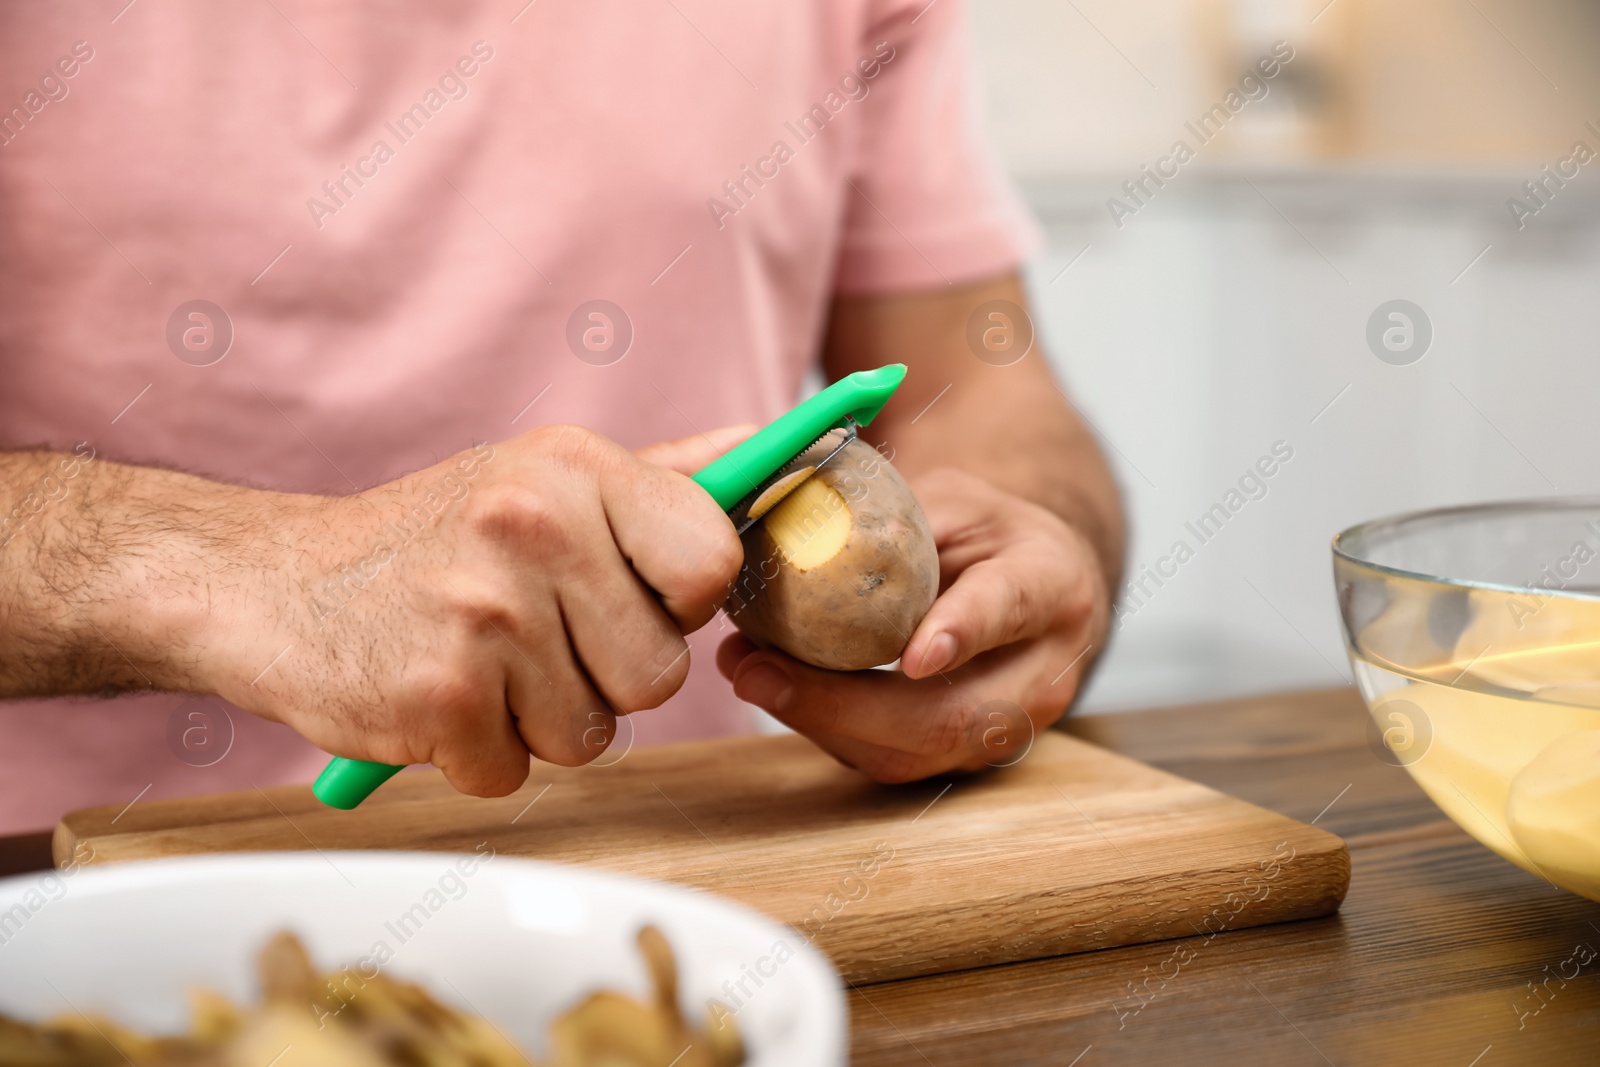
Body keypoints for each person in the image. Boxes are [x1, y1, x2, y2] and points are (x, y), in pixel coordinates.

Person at [0, 0, 1123, 834]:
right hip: (95, 895)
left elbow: (976, 386)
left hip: (693, 870)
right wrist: (250, 571)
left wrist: (1030, 548)